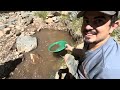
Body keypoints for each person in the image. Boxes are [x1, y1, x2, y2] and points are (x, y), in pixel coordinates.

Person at [63, 11, 120, 79]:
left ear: (113, 26)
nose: (87, 27)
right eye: (86, 20)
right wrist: (71, 49)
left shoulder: (107, 71)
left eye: (98, 21)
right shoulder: (92, 40)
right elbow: (86, 54)